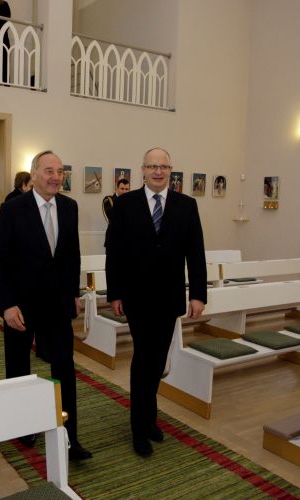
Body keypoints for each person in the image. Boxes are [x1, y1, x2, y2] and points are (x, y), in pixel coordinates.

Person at [0, 150, 92, 461]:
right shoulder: (12, 209)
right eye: (49, 171)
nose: (55, 177)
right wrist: (7, 305)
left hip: (58, 305)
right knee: (19, 368)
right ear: (33, 174)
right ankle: (24, 427)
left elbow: (71, 255)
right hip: (20, 307)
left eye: (60, 171)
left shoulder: (70, 207)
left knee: (64, 368)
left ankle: (69, 436)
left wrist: (73, 293)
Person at [105, 147, 207, 457]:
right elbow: (115, 252)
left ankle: (148, 418)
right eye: (152, 166)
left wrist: (198, 294)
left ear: (171, 170)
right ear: (143, 170)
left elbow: (196, 252)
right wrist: (115, 293)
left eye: (163, 166)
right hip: (137, 298)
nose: (158, 171)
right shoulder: (125, 204)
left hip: (169, 297)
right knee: (143, 359)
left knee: (158, 362)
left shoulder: (186, 205)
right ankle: (139, 428)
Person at [102, 178, 130, 247]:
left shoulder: (132, 201)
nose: (124, 191)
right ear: (116, 189)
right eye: (122, 188)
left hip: (127, 239)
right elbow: (111, 215)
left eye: (127, 189)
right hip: (113, 238)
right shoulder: (109, 199)